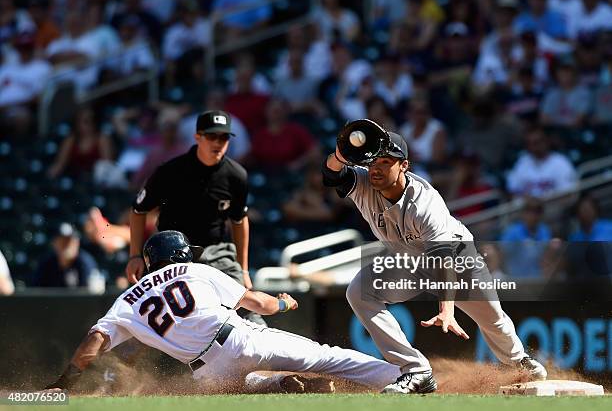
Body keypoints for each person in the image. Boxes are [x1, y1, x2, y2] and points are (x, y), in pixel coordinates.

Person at [322, 120, 547, 394]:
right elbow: (331, 175)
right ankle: (415, 370)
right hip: (408, 262)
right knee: (359, 292)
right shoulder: (365, 182)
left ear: (404, 165)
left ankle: (519, 362)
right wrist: (340, 154)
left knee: (493, 319)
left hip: (458, 260)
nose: (376, 169)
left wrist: (446, 309)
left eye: (386, 162)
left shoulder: (425, 203)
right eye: (373, 162)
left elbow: (444, 260)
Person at [44, 231, 402, 393]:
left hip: (207, 373)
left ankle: (277, 384)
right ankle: (399, 378)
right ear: (180, 255)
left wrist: (65, 383)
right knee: (327, 358)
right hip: (241, 341)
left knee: (243, 385)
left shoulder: (129, 299)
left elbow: (95, 341)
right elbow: (260, 305)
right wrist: (283, 303)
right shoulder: (195, 270)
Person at [126, 110, 262, 324]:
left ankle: (262, 352)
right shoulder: (170, 171)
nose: (218, 142)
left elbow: (239, 220)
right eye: (212, 136)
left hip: (214, 251)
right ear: (198, 136)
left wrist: (243, 268)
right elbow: (138, 210)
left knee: (248, 309)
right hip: (170, 255)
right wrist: (135, 255)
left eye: (224, 137)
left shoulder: (236, 175)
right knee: (148, 316)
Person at [34, 223, 101, 288]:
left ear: (77, 243)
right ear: (54, 243)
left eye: (69, 241)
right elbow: (37, 292)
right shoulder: (47, 263)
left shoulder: (85, 263)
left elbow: (91, 295)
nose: (66, 246)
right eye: (62, 241)